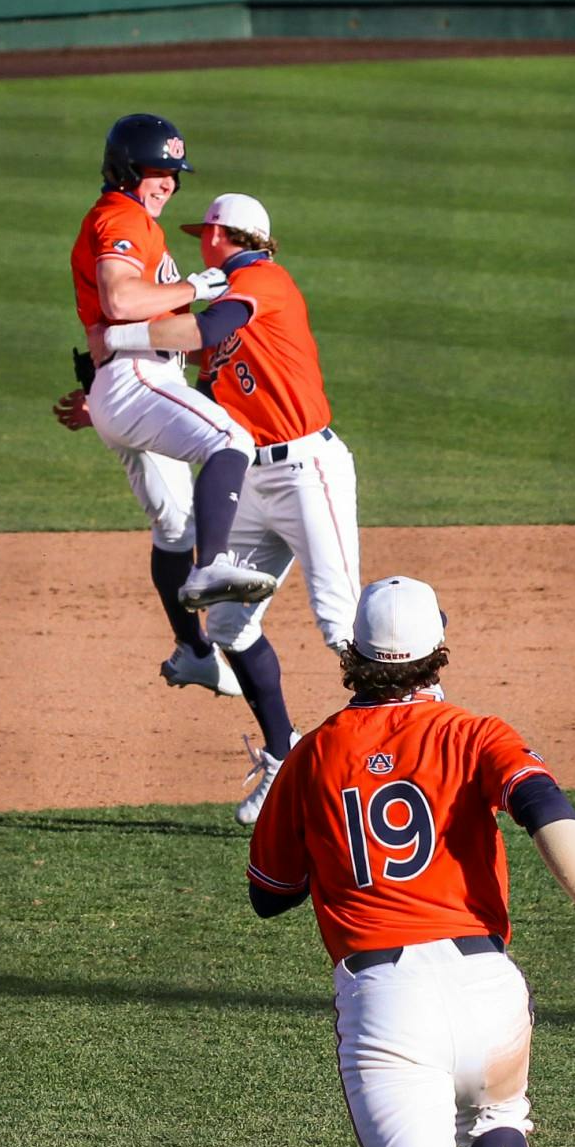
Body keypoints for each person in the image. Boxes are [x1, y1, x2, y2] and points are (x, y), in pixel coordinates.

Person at [246, 576, 575, 1147]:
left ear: (353, 656)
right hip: (488, 987)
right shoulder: (477, 734)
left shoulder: (312, 756)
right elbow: (547, 808)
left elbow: (269, 894)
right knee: (497, 1120)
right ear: (438, 650)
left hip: (387, 1005)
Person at [91, 193, 361, 823]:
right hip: (253, 480)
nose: (197, 243)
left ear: (220, 234)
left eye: (203, 232)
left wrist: (117, 335)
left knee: (341, 625)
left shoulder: (260, 280)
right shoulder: (224, 291)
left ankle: (423, 741)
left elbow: (207, 330)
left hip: (307, 471)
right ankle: (282, 757)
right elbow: (206, 386)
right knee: (231, 626)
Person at [63, 112, 273, 699]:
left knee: (174, 527)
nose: (170, 184)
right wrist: (197, 288)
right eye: (160, 170)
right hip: (137, 378)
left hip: (124, 384)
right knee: (230, 440)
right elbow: (121, 298)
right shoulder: (121, 215)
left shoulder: (128, 219)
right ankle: (217, 562)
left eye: (176, 175)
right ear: (129, 168)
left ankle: (194, 648)